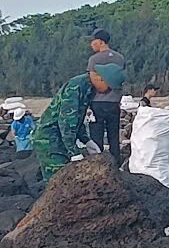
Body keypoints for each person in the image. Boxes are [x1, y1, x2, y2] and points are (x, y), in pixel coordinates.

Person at [30, 63, 114, 181]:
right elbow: (66, 122)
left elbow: (78, 120)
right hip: (49, 140)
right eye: (109, 87)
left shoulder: (88, 89)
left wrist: (87, 140)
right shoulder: (75, 87)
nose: (107, 92)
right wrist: (73, 152)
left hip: (61, 140)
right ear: (100, 78)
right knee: (57, 180)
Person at [85, 31, 129, 165]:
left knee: (96, 137)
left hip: (97, 102)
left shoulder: (94, 59)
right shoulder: (120, 58)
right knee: (113, 136)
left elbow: (92, 81)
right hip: (114, 102)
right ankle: (116, 164)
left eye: (93, 41)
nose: (91, 44)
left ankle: (97, 165)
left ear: (101, 42)